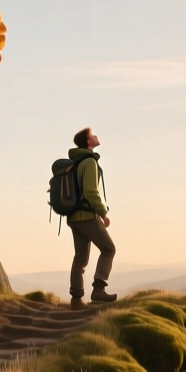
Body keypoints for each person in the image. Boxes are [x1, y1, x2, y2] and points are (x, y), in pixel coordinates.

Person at [66, 127, 116, 308]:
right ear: (88, 142)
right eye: (93, 135)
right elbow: (90, 191)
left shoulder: (74, 163)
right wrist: (103, 213)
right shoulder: (89, 162)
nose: (96, 136)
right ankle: (98, 290)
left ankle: (76, 299)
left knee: (80, 258)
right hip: (87, 215)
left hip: (72, 217)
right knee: (108, 249)